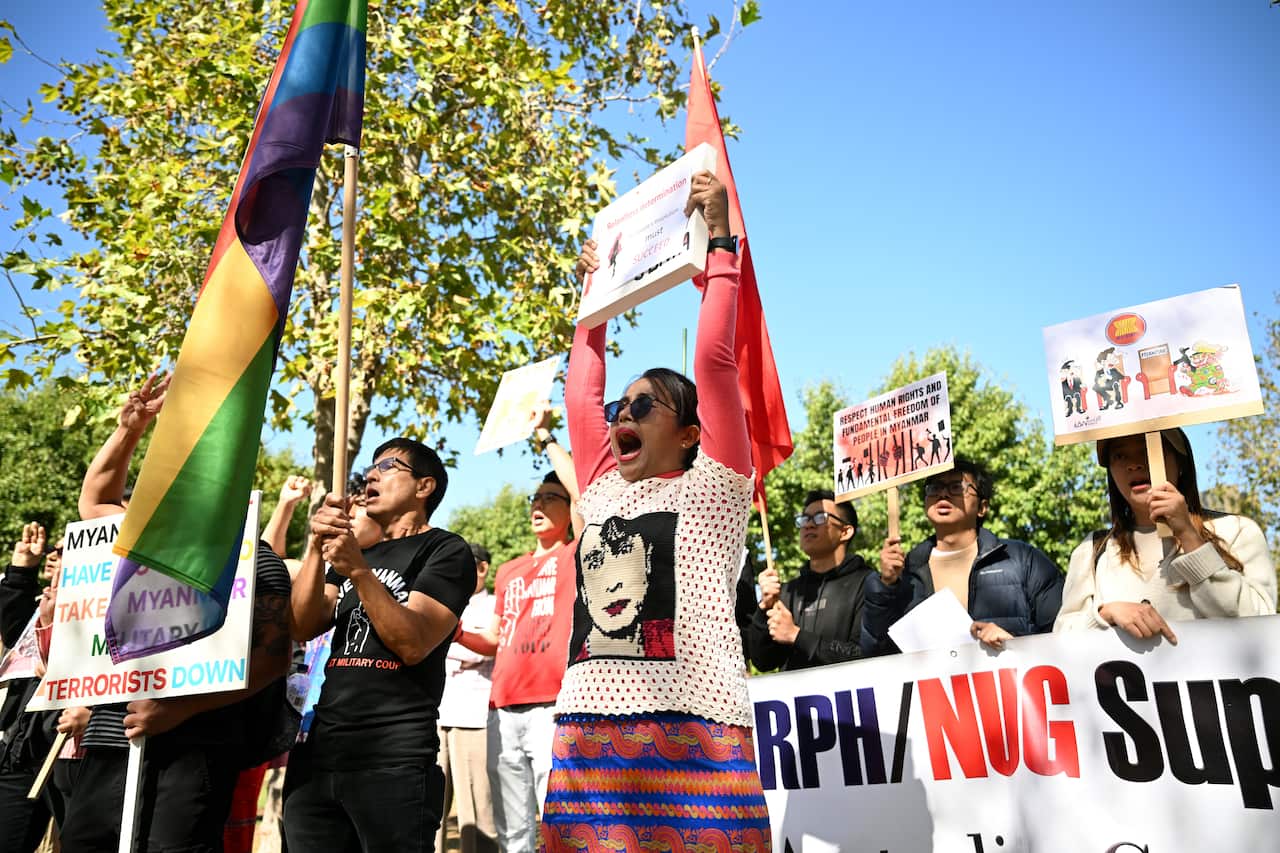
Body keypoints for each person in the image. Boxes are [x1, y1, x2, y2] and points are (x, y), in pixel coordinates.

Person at [540, 172, 770, 852]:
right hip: (588, 737)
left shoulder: (716, 487)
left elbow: (716, 360)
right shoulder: (602, 488)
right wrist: (596, 296)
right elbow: (582, 394)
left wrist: (722, 240)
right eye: (622, 410)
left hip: (698, 731)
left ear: (692, 431)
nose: (622, 417)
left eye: (645, 406)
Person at [59, 376, 294, 853]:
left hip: (197, 746)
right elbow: (93, 502)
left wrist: (176, 711)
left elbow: (273, 659)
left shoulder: (255, 556)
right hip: (112, 738)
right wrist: (130, 430)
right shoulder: (138, 536)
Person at [284, 438, 474, 853]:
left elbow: (413, 642)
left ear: (424, 487)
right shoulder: (357, 551)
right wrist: (318, 549)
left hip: (393, 758)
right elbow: (302, 623)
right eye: (371, 466)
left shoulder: (444, 550)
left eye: (388, 466)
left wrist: (358, 570)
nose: (372, 474)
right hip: (320, 754)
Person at [455, 411, 581, 853]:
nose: (538, 505)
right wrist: (457, 635)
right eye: (535, 497)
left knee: (559, 823)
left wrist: (545, 435)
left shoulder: (575, 556)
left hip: (553, 707)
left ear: (569, 508)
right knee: (513, 831)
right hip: (501, 708)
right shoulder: (509, 571)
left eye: (551, 497)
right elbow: (494, 639)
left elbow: (585, 495)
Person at [1054, 428, 1275, 639]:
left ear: (1180, 460)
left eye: (1148, 449)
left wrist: (1189, 535)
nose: (1133, 464)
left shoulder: (1236, 530)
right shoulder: (1093, 550)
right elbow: (1061, 640)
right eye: (1119, 455)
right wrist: (1105, 614)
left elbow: (1260, 626)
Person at [861, 459, 1064, 655]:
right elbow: (875, 653)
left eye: (956, 487)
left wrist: (1014, 646)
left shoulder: (1022, 559)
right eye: (934, 487)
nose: (943, 494)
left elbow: (1064, 636)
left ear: (982, 507)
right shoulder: (904, 573)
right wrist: (885, 587)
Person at [747, 490, 874, 671]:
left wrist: (796, 635)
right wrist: (764, 608)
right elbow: (763, 662)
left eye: (820, 517)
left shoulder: (868, 583)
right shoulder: (788, 591)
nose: (809, 525)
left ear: (845, 531)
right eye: (805, 519)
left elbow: (865, 656)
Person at [0, 523, 62, 852]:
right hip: (22, 748)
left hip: (75, 753)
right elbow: (14, 638)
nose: (54, 554)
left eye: (67, 551)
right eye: (55, 548)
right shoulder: (44, 601)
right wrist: (22, 571)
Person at [435, 543, 498, 853]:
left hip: (473, 716)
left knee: (476, 806)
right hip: (437, 713)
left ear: (482, 568)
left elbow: (489, 646)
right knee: (429, 807)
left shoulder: (494, 606)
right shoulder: (442, 602)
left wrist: (456, 643)